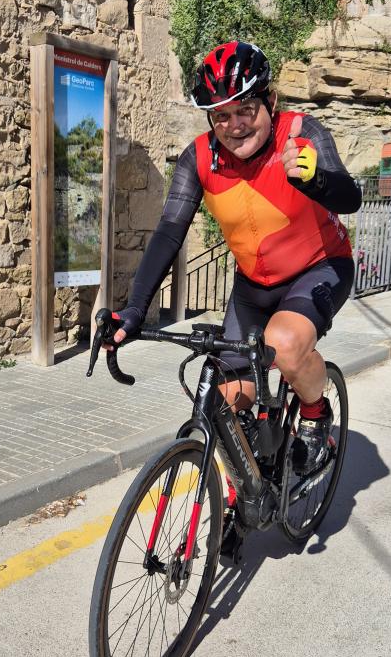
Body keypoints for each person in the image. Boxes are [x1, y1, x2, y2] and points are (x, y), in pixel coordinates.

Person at [111, 40, 362, 476]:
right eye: (221, 115)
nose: (234, 125)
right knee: (225, 403)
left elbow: (350, 196)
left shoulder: (301, 134)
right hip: (253, 287)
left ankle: (315, 412)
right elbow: (170, 231)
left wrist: (317, 180)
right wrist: (134, 309)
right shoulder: (198, 158)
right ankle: (245, 495)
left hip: (320, 267)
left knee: (284, 345)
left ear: (271, 102)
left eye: (245, 109)